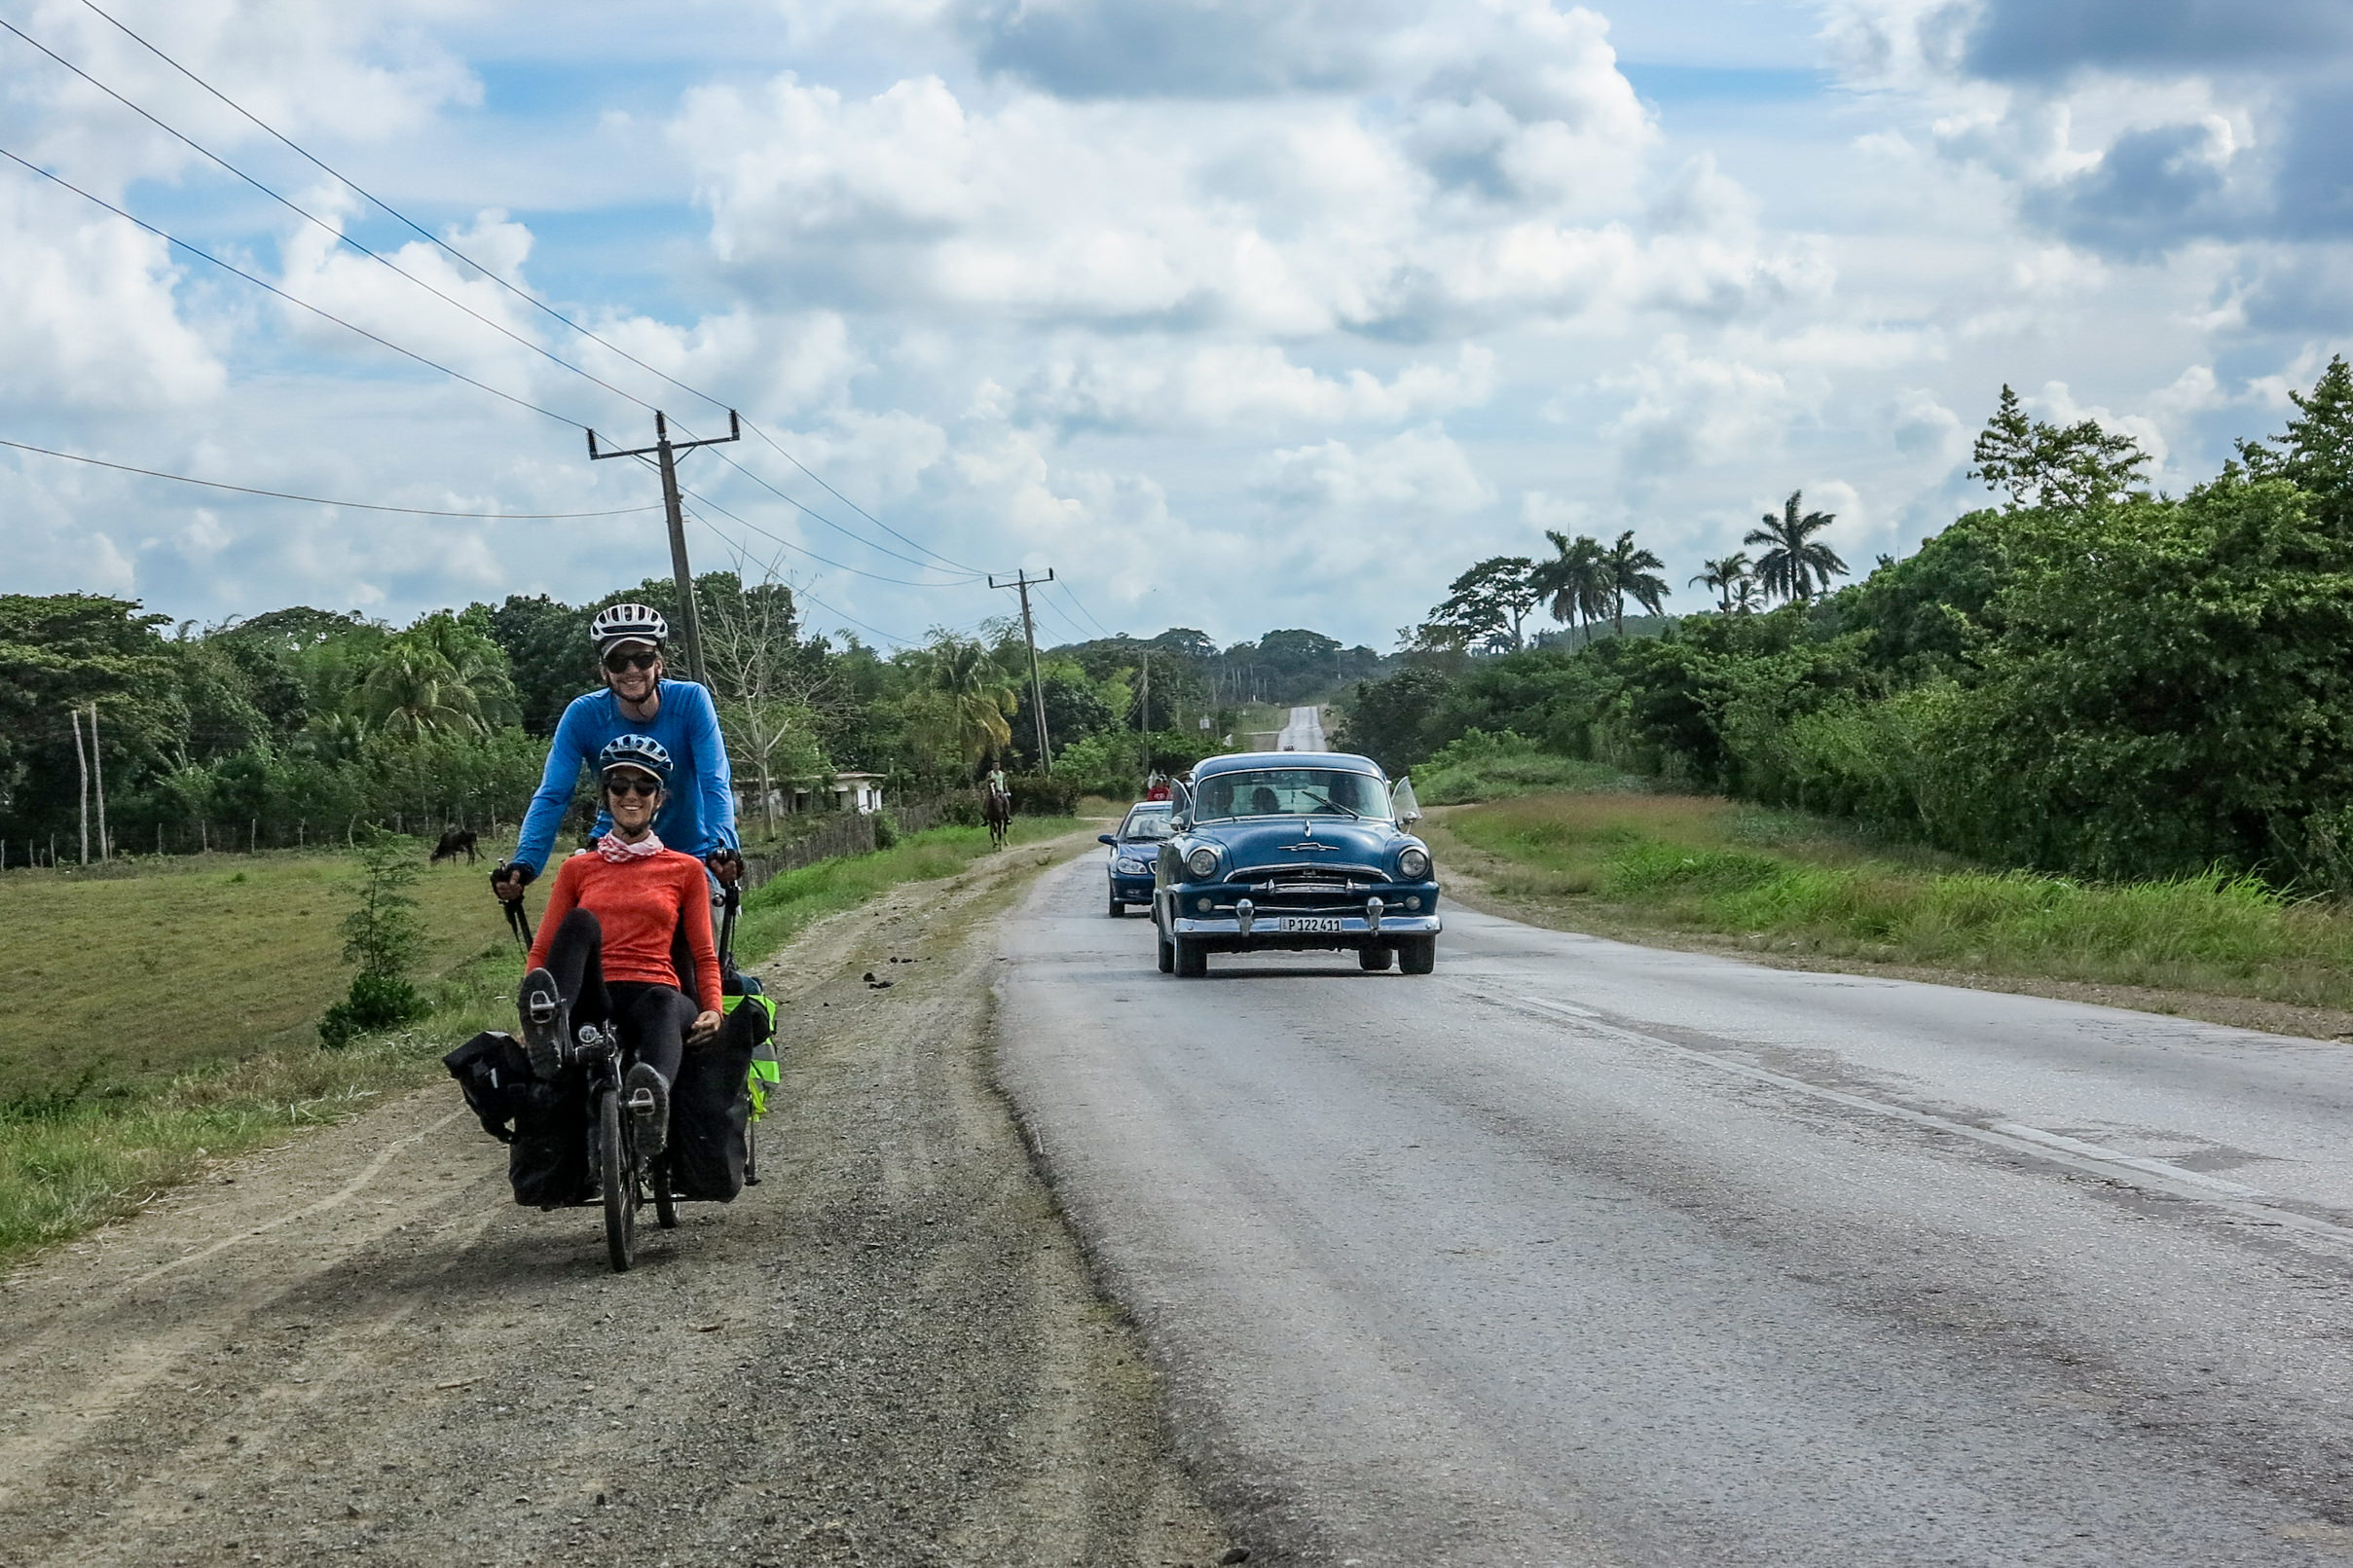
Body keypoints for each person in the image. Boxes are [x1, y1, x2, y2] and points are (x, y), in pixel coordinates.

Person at [516, 735, 721, 1157]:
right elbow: (544, 950)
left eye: (643, 787)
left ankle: (652, 1101)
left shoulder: (684, 869)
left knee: (665, 1003)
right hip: (596, 993)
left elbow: (703, 952)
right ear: (605, 796)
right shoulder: (578, 868)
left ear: (659, 798)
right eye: (620, 786)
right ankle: (549, 1025)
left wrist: (713, 1008)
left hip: (656, 993)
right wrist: (530, 1011)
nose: (631, 796)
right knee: (578, 921)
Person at [494, 603, 742, 913]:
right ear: (603, 671)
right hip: (615, 847)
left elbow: (714, 780)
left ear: (659, 665)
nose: (631, 670)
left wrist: (723, 847)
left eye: (643, 658)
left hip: (691, 850)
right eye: (617, 661)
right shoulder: (582, 715)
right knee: (577, 931)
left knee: (706, 933)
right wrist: (525, 863)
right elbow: (553, 795)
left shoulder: (691, 700)